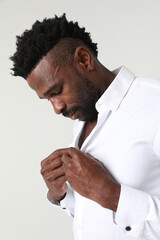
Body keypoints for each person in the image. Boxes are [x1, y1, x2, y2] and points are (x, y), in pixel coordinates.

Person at [11, 14, 160, 240]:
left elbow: (111, 201)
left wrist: (111, 194)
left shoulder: (154, 104)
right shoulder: (84, 117)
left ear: (84, 59)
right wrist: (62, 194)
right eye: (47, 99)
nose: (56, 108)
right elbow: (108, 220)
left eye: (57, 90)